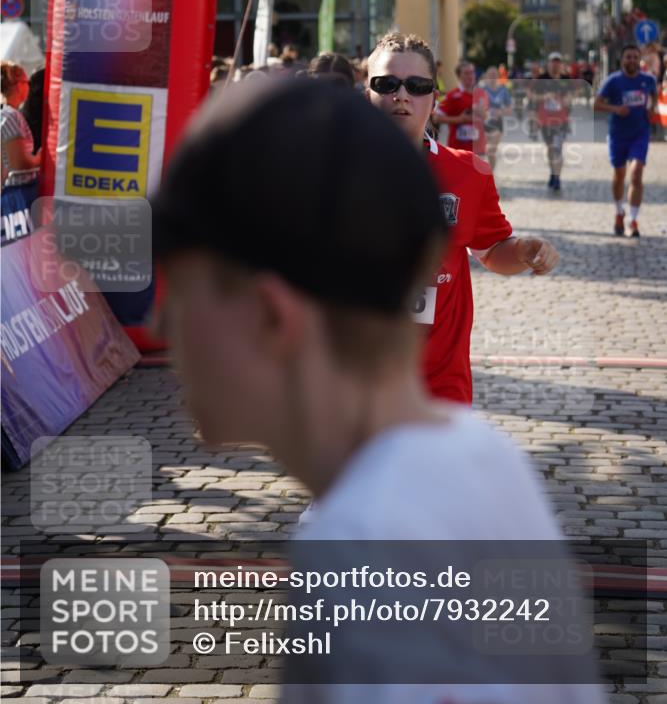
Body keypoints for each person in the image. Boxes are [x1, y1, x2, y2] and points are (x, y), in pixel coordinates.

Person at [152, 80, 600, 704]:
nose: (160, 330)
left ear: (270, 318)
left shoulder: (357, 551)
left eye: (181, 300)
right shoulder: (479, 455)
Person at [366, 34, 558, 405]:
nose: (401, 95)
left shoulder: (468, 172)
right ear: (367, 94)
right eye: (386, 84)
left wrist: (523, 251)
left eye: (417, 86)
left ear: (433, 99)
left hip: (439, 384)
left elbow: (491, 251)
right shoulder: (326, 171)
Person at [594, 43, 657, 238]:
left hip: (640, 133)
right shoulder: (613, 81)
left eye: (634, 57)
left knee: (636, 173)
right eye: (627, 57)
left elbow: (653, 97)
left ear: (639, 59)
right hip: (618, 135)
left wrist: (651, 108)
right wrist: (616, 109)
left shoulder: (648, 80)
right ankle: (619, 212)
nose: (631, 60)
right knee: (619, 175)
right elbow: (596, 105)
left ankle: (633, 219)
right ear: (622, 60)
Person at [433, 60, 488, 159]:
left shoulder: (481, 94)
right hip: (458, 150)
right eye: (466, 73)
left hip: (478, 149)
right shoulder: (453, 96)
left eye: (472, 72)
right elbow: (436, 117)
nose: (470, 76)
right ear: (459, 76)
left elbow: (486, 117)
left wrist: (482, 113)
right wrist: (460, 119)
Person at [1, 61, 42, 187]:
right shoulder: (10, 116)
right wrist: (41, 157)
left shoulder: (6, 114)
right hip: (20, 192)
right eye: (27, 82)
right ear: (19, 86)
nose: (29, 87)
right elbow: (20, 164)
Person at [537, 52, 572, 192]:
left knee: (558, 148)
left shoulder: (565, 79)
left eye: (558, 62)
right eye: (553, 61)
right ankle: (553, 171)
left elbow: (571, 94)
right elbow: (531, 95)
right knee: (551, 148)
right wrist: (544, 97)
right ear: (548, 63)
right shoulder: (541, 79)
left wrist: (568, 99)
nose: (555, 64)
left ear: (561, 64)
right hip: (545, 120)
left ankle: (557, 177)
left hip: (561, 120)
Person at [480, 66, 512, 172]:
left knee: (491, 150)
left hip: (497, 123)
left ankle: (490, 174)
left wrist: (501, 112)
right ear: (486, 76)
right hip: (483, 123)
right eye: (490, 74)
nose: (492, 77)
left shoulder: (503, 90)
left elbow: (510, 109)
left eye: (494, 74)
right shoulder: (482, 89)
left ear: (498, 76)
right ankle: (481, 174)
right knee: (482, 151)